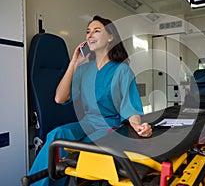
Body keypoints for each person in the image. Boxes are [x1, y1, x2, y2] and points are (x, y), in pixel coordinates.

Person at [28, 15, 152, 185]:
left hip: (109, 128)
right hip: (86, 125)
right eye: (88, 32)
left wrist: (139, 127)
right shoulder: (84, 69)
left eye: (96, 31)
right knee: (57, 136)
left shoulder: (122, 70)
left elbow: (130, 108)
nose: (90, 35)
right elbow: (59, 98)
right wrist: (74, 63)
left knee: (85, 148)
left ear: (110, 37)